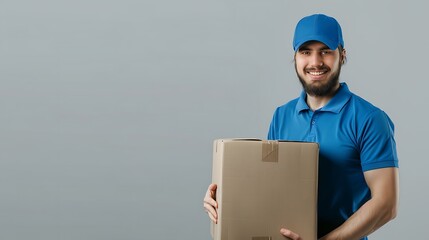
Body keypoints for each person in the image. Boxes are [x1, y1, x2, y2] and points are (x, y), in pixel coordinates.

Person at [203, 13, 399, 240]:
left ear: (342, 55)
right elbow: (268, 186)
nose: (315, 62)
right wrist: (223, 198)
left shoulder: (370, 119)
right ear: (295, 57)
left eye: (325, 51)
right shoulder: (282, 115)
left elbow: (386, 204)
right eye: (306, 52)